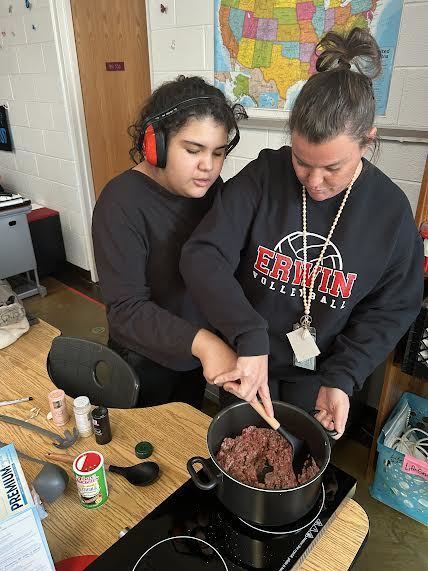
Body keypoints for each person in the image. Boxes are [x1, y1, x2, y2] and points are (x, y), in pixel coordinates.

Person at [180, 28, 424, 437]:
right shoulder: (265, 176)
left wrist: (343, 376)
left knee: (297, 464)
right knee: (239, 454)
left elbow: (392, 307)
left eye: (332, 168)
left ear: (367, 142)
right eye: (301, 161)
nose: (313, 181)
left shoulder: (390, 213)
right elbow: (202, 254)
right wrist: (248, 333)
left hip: (322, 376)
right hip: (248, 359)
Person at [92, 75, 245, 409]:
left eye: (218, 153)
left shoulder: (211, 191)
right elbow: (125, 311)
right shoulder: (120, 203)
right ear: (155, 144)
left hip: (193, 357)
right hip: (142, 363)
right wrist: (203, 342)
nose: (208, 167)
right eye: (193, 150)